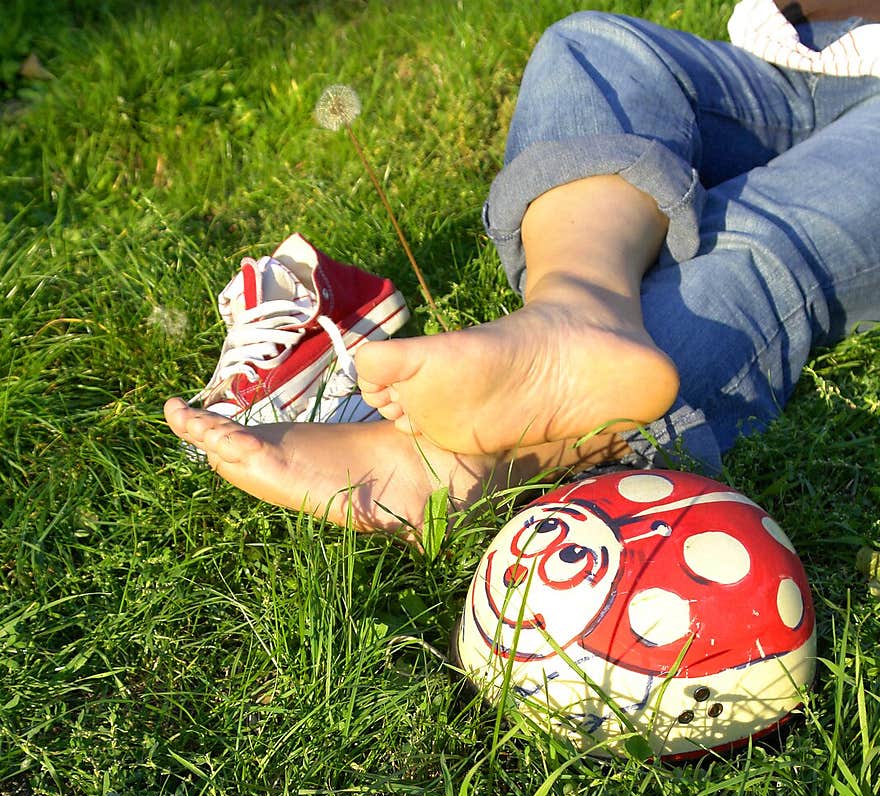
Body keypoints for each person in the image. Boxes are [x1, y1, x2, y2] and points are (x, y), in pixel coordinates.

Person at [163, 2, 880, 542]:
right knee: (595, 50)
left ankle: (486, 461)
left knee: (756, 235)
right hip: (810, 54)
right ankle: (577, 307)